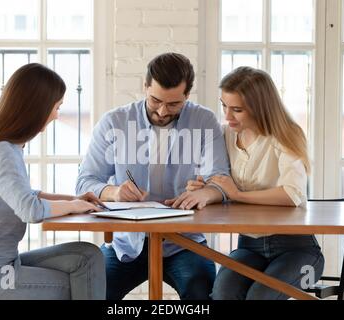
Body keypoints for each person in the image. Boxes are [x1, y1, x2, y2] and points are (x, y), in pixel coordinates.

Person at [76, 53, 230, 300]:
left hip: (184, 242)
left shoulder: (204, 120)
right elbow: (85, 181)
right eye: (155, 100)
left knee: (201, 293)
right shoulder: (114, 121)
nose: (162, 110)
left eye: (173, 104)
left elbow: (220, 179)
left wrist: (206, 192)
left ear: (187, 96)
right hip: (126, 243)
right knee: (92, 293)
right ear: (145, 86)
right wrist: (114, 192)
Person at [0, 63, 106, 300]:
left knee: (88, 256)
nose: (56, 114)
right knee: (82, 280)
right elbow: (30, 209)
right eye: (57, 106)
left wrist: (74, 199)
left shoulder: (4, 147)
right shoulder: (2, 151)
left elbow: (27, 195)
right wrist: (75, 206)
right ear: (37, 108)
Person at [186, 66, 325, 300]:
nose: (227, 116)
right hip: (248, 246)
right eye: (224, 106)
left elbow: (292, 195)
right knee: (222, 295)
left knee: (259, 297)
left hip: (298, 251)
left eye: (237, 110)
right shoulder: (224, 135)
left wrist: (237, 194)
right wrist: (206, 188)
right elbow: (218, 182)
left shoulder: (285, 135)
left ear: (260, 108)